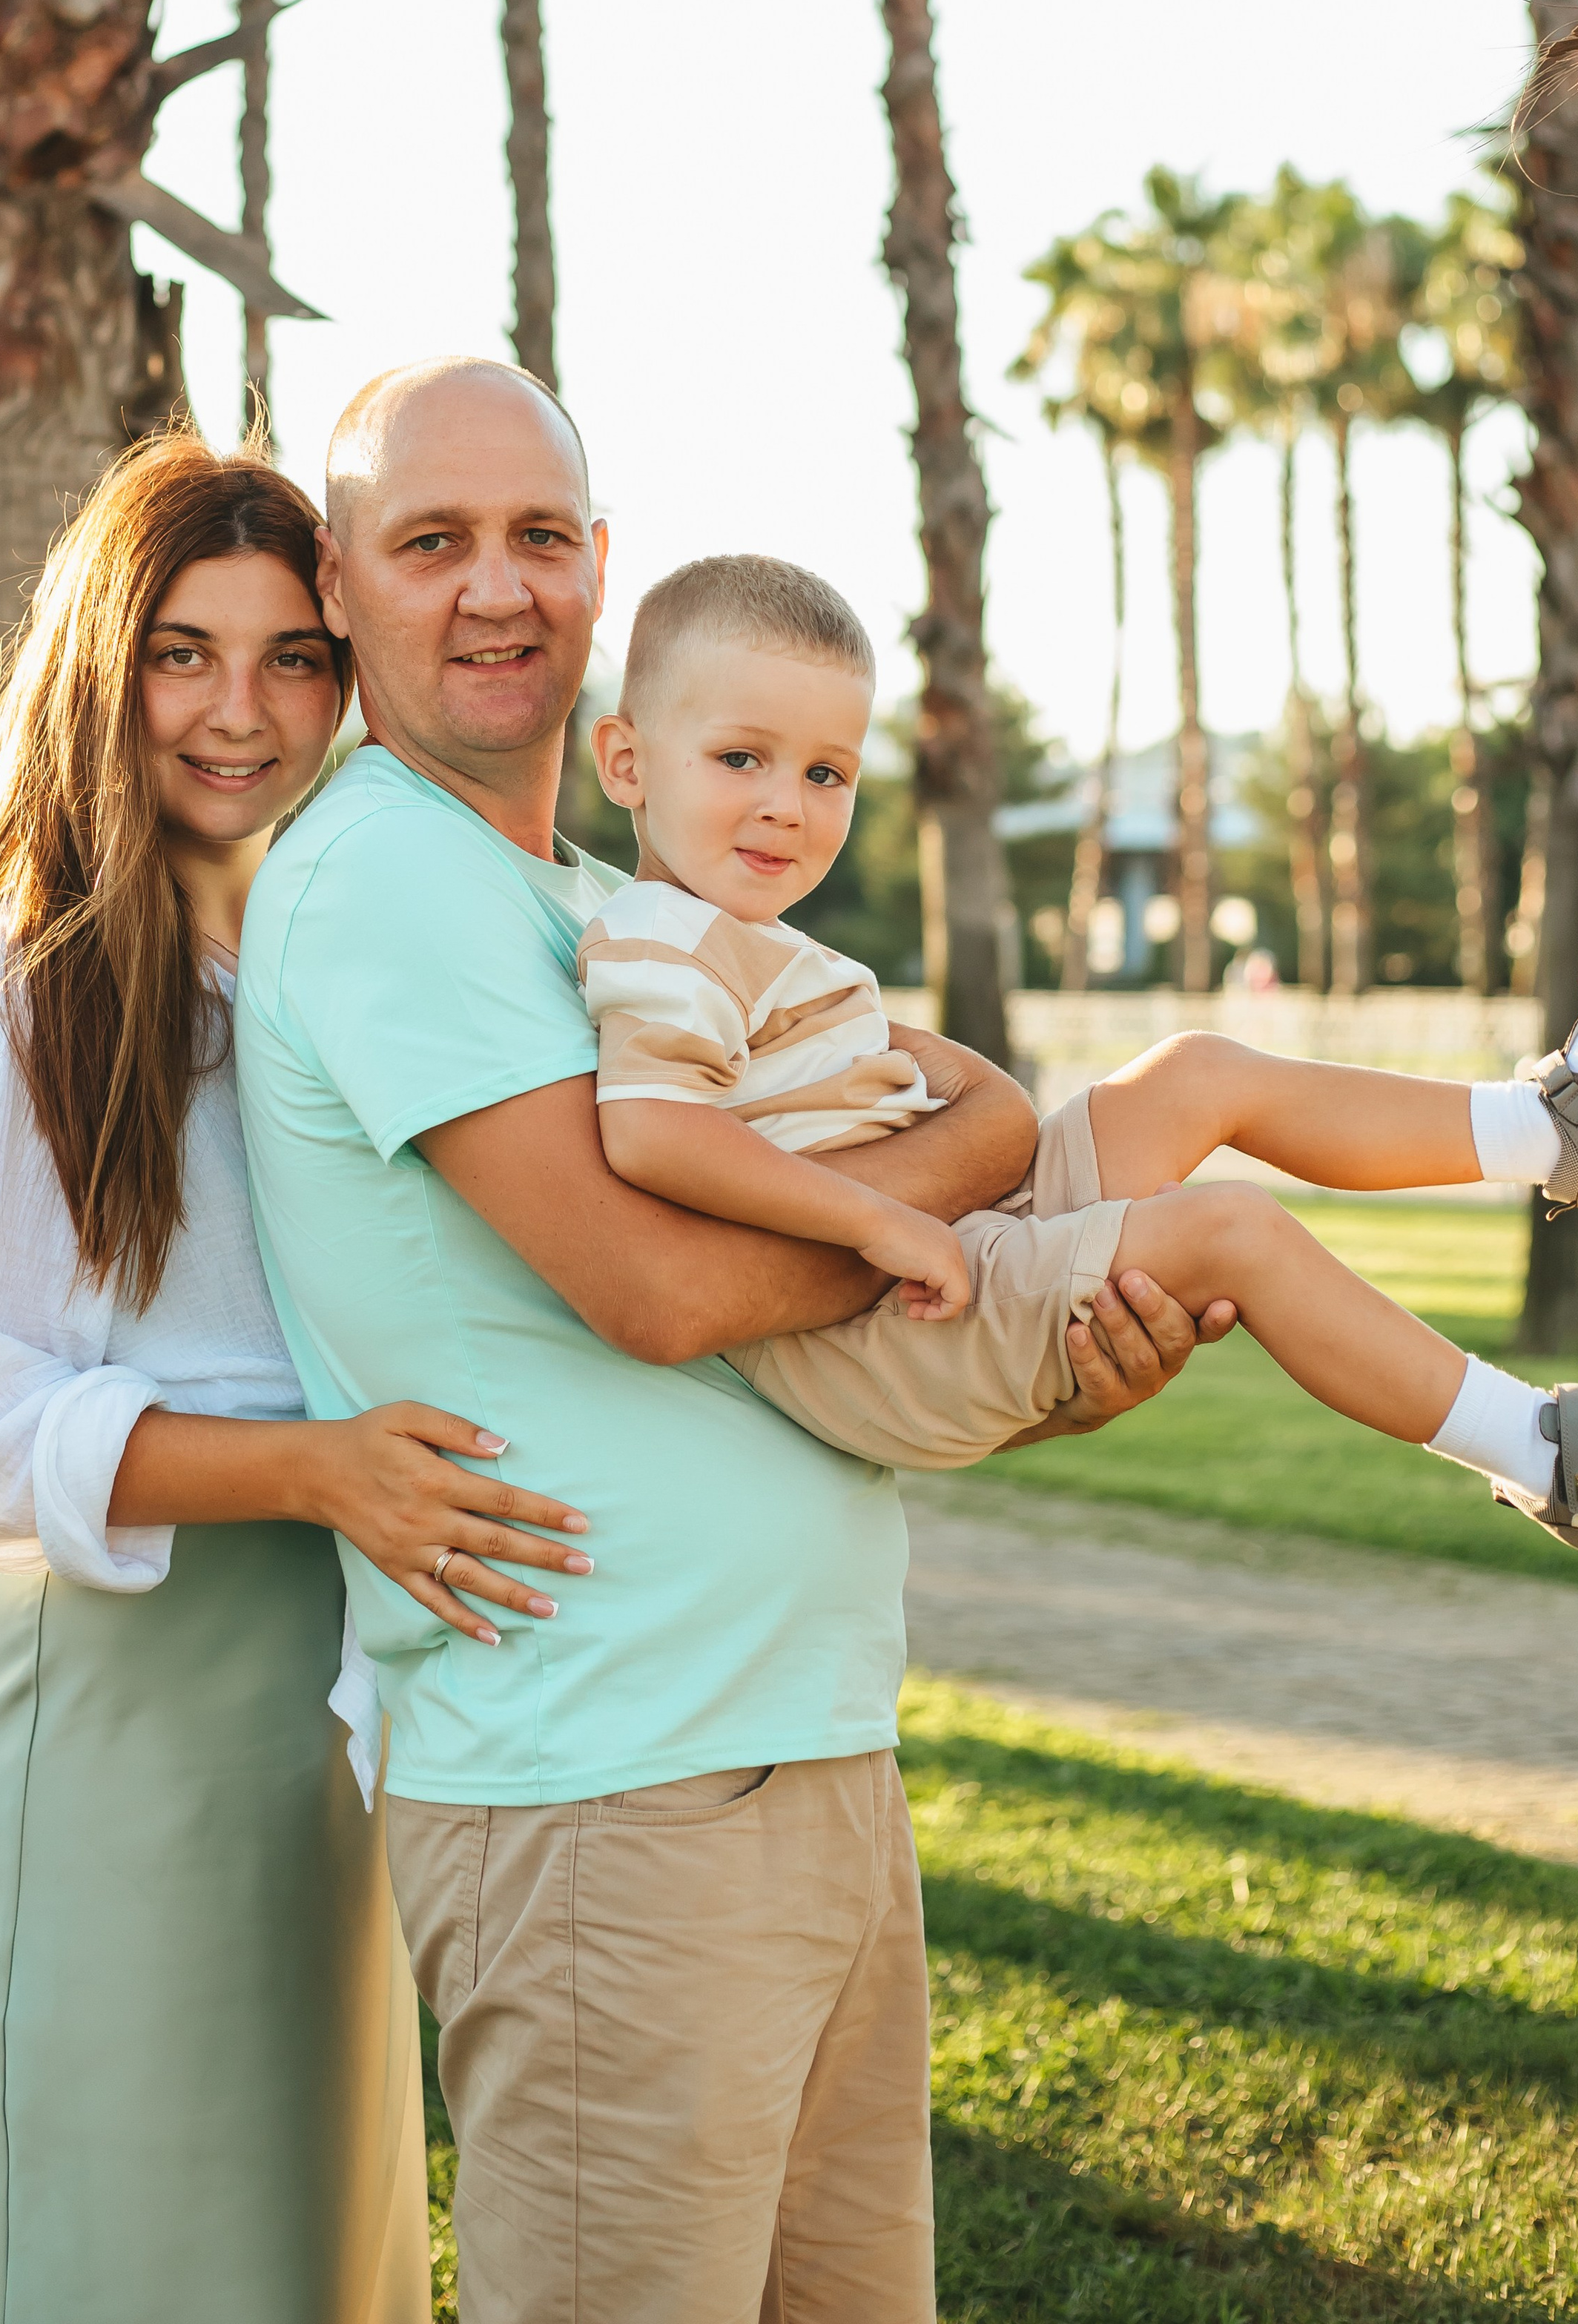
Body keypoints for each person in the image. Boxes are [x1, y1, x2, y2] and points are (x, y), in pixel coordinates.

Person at [233, 355, 1232, 2324]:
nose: (495, 586)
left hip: (806, 1758)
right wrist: (982, 1155)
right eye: (431, 542)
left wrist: (1044, 1377)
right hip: (604, 1795)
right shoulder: (381, 874)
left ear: (603, 568)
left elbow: (818, 1329)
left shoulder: (619, 899)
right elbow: (667, 1289)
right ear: (341, 583)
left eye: (536, 536)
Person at [0, 430, 599, 2324]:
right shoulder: (27, 977)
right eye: (184, 652)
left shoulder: (319, 959)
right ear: (104, 661)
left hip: (314, 1730)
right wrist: (319, 1474)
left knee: (288, 2272)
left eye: (290, 658)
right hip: (84, 1722)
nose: (238, 712)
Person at [579, 550, 1578, 1575]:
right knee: (1232, 1232)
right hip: (878, 1329)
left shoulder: (744, 935)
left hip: (946, 1240)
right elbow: (653, 1130)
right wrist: (880, 1220)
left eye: (828, 773)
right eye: (740, 758)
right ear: (627, 760)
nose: (787, 803)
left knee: (1199, 1072)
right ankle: (1559, 1462)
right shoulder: (658, 940)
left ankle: (1567, 1127)